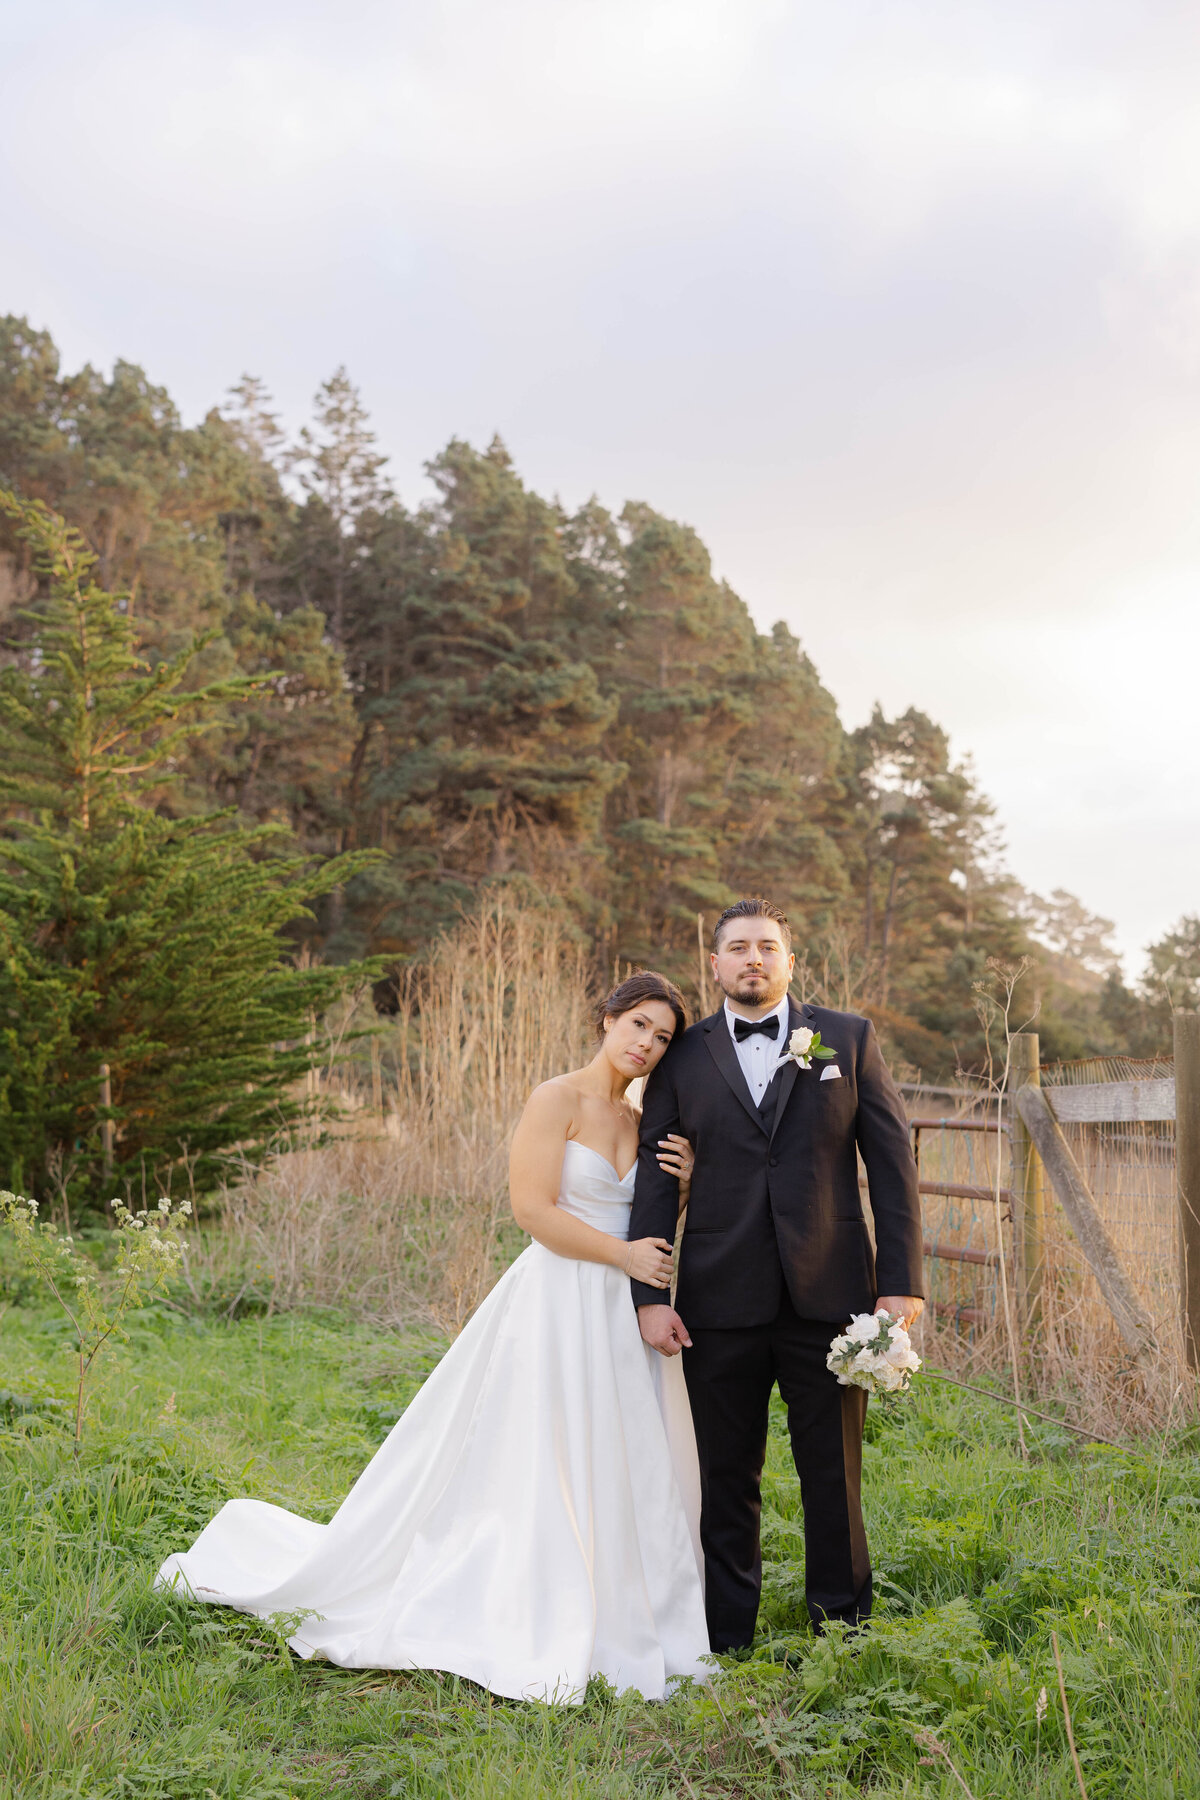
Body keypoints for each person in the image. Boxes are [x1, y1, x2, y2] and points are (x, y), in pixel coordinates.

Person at [155, 972, 710, 1705]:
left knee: (620, 1453)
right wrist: (623, 1258)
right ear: (607, 1018)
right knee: (537, 1450)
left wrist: (688, 1185)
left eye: (663, 1036)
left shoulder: (643, 1118)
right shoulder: (555, 1099)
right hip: (557, 1296)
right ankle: (522, 1594)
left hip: (623, 1308)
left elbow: (647, 1219)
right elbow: (532, 1211)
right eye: (639, 1024)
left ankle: (619, 1596)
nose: (647, 1044)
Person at [629, 898, 924, 1652]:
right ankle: (726, 1638)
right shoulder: (681, 1056)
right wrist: (648, 1298)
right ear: (716, 964)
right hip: (717, 1302)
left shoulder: (847, 1041)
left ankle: (842, 1633)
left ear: (790, 961)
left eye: (767, 947)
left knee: (834, 1475)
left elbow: (891, 1169)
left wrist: (902, 1281)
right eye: (738, 948)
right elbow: (659, 1181)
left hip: (829, 1298)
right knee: (726, 1480)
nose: (753, 959)